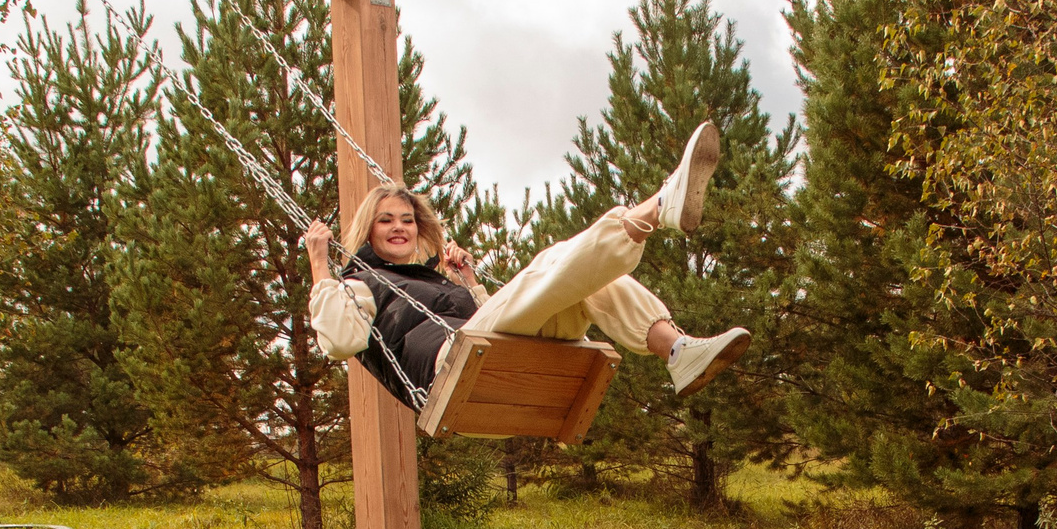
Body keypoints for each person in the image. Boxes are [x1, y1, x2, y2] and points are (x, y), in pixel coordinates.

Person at [305, 121, 751, 406]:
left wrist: (471, 285)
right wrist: (321, 266)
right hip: (450, 371)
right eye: (386, 221)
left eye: (406, 220)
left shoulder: (425, 279)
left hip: (495, 355)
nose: (398, 228)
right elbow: (340, 341)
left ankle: (677, 351)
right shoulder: (360, 284)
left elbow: (488, 317)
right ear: (369, 230)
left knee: (592, 281)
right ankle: (657, 208)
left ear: (420, 229)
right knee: (551, 263)